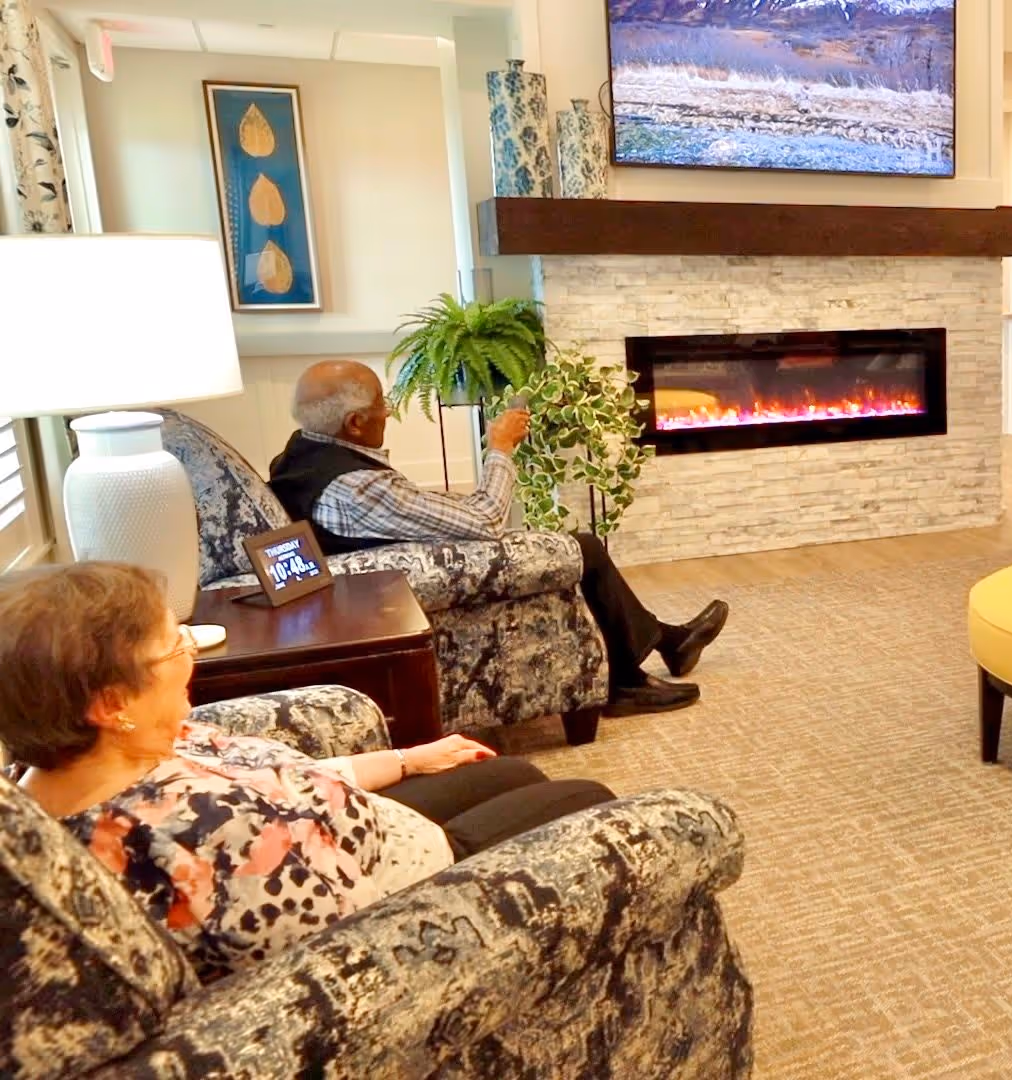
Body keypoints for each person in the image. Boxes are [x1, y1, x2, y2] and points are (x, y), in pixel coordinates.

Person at [0, 562, 620, 980]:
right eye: (174, 647)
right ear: (111, 704)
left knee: (513, 773)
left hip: (362, 824)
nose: (192, 654)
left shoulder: (110, 752)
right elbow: (348, 948)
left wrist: (407, 758)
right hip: (404, 881)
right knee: (587, 797)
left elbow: (275, 776)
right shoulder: (194, 838)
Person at [270, 360, 726, 716]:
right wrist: (501, 447)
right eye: (382, 405)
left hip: (395, 564)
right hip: (408, 584)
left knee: (577, 549)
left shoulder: (306, 451)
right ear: (354, 423)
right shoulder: (355, 487)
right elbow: (488, 520)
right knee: (581, 548)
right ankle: (626, 681)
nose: (389, 412)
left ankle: (666, 641)